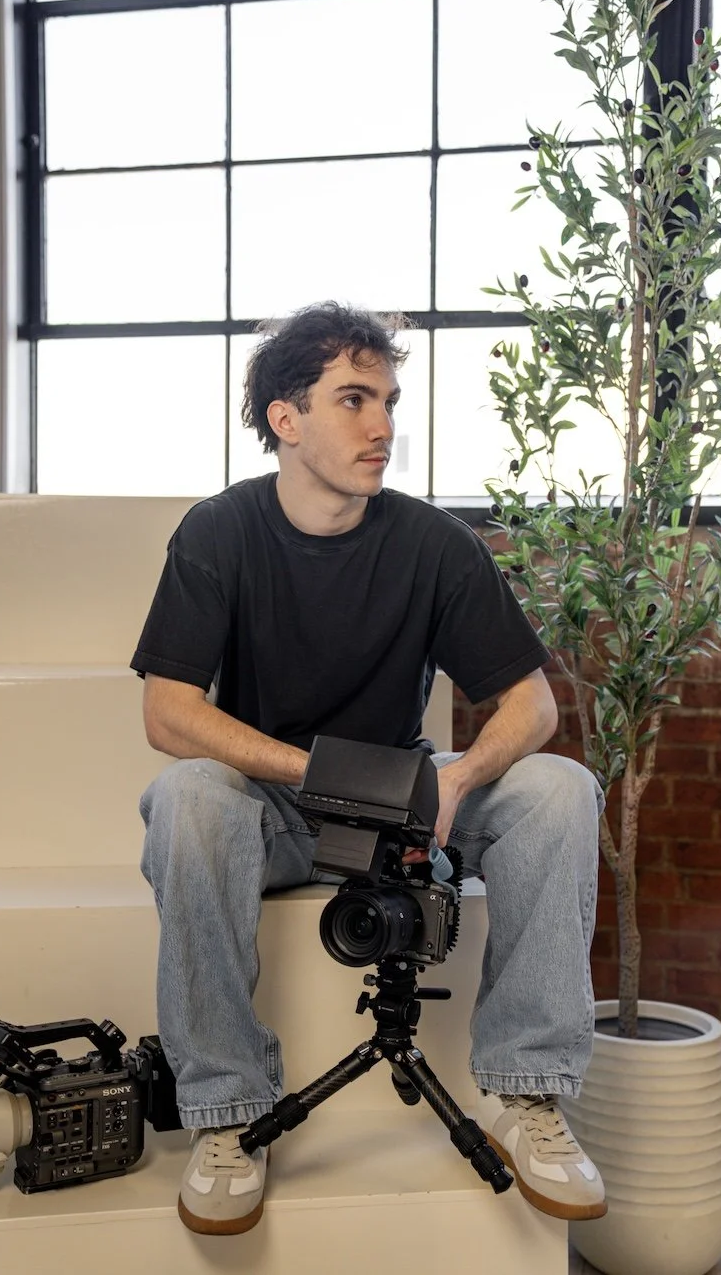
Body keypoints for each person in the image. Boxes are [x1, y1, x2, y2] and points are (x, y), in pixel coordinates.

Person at [131, 302, 606, 1237]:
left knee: (561, 785)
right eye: (353, 399)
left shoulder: (434, 544)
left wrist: (459, 779)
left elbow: (535, 705)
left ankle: (529, 1092)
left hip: (408, 800)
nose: (383, 424)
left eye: (389, 399)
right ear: (285, 416)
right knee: (189, 798)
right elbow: (169, 713)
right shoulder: (218, 533)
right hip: (276, 804)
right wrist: (312, 770)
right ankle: (227, 1113)